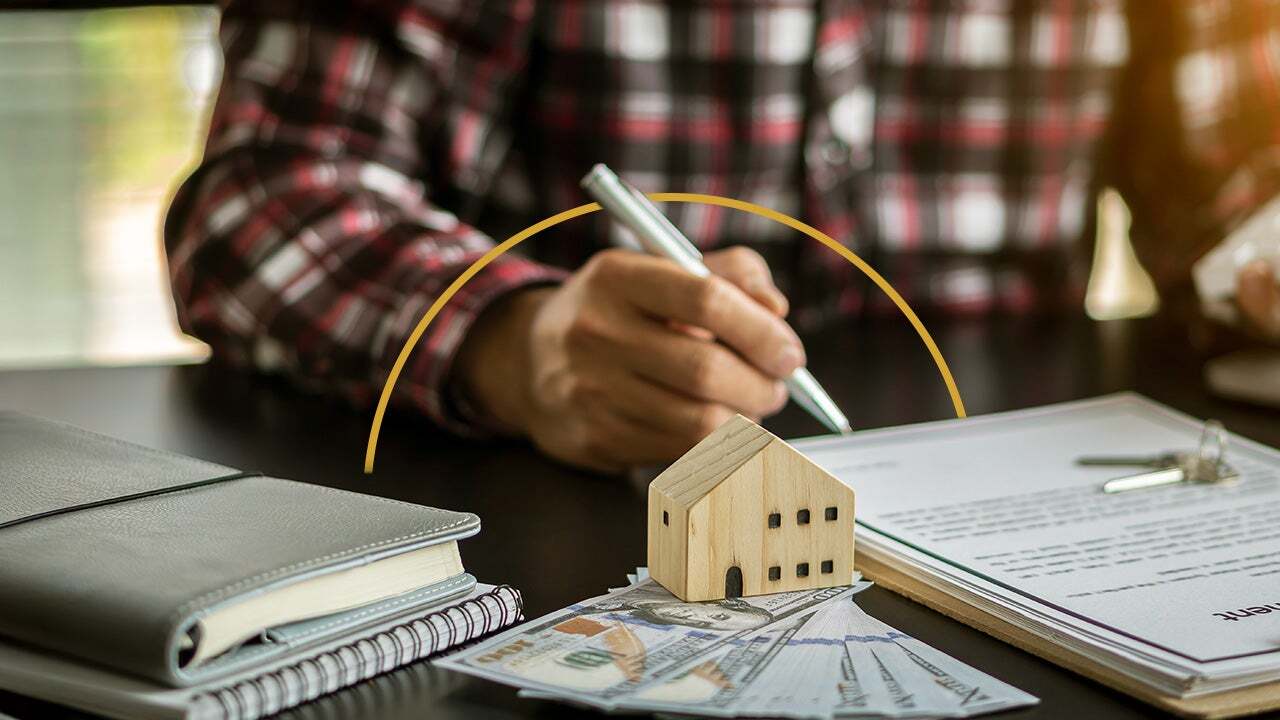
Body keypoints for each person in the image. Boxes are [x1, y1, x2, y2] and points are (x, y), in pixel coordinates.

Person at [166, 2, 1280, 471]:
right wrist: (514, 342)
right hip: (567, 519)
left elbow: (1235, 174)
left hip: (1030, 526)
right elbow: (263, 197)